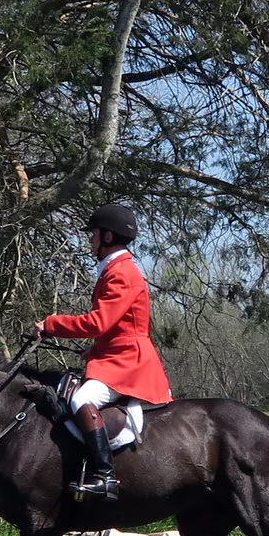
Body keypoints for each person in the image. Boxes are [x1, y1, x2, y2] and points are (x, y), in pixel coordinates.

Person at [38, 204, 172, 498]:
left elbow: (99, 322)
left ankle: (105, 475)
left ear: (108, 237)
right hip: (115, 354)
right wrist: (94, 350)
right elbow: (115, 326)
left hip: (129, 362)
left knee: (82, 398)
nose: (90, 240)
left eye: (94, 234)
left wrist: (51, 324)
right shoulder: (113, 269)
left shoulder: (121, 273)